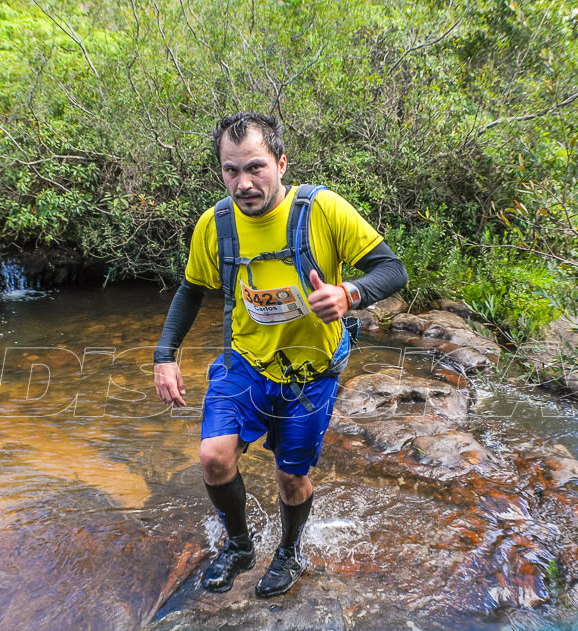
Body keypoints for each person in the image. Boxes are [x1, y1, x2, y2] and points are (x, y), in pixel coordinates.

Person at [153, 113, 407, 598]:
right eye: (231, 171)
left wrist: (349, 294)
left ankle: (289, 552)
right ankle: (240, 546)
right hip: (245, 363)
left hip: (310, 373)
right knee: (213, 457)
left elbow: (391, 269)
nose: (244, 183)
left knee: (291, 477)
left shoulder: (323, 210)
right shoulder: (215, 224)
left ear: (281, 163)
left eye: (255, 168)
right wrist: (166, 354)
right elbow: (190, 290)